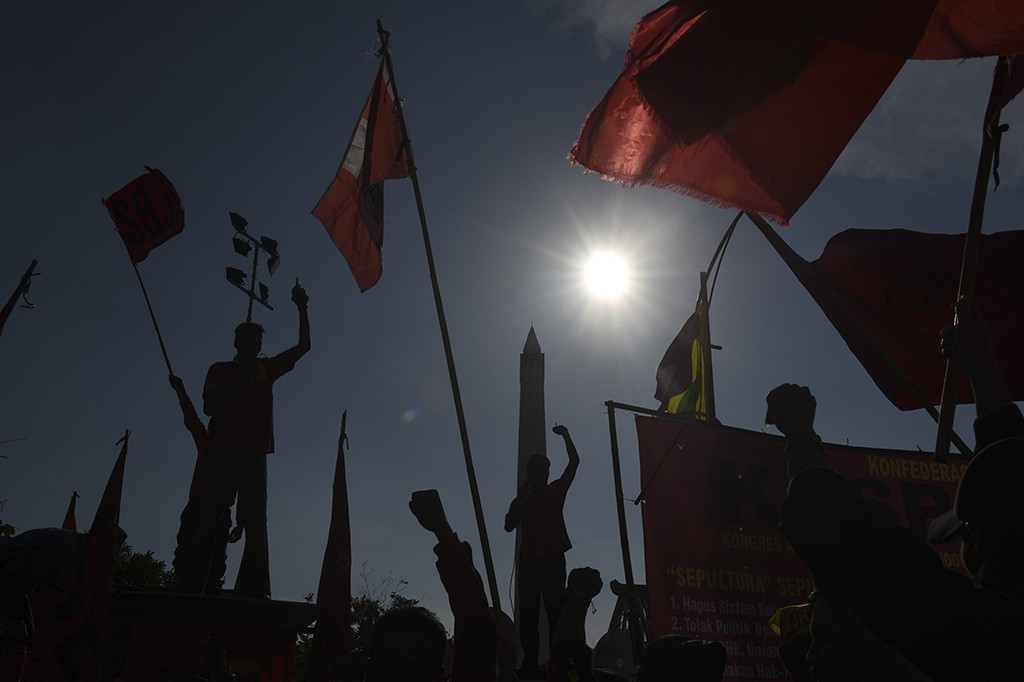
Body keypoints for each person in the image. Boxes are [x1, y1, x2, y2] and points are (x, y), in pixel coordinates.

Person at [766, 308, 1024, 682]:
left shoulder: (993, 640)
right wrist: (982, 364)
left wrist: (799, 434)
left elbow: (859, 555)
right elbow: (1010, 471)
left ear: (977, 540)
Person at [178, 280, 310, 598]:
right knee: (208, 522)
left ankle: (256, 589)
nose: (252, 343)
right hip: (221, 454)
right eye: (247, 338)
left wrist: (302, 308)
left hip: (254, 454)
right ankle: (194, 587)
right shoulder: (220, 369)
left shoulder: (268, 369)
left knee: (256, 523)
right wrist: (237, 384)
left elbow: (303, 347)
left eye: (256, 339)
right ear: (236, 342)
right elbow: (209, 408)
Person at [504, 424, 580, 674]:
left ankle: (558, 661)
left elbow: (573, 463)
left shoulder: (555, 491)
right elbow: (508, 525)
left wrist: (566, 435)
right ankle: (529, 661)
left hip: (551, 558)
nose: (529, 474)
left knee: (555, 612)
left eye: (532, 470)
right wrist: (518, 499)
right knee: (528, 615)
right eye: (528, 470)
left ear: (544, 472)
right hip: (529, 561)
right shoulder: (523, 498)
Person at [408, 489, 498, 682]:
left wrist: (442, 531)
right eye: (388, 664)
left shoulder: (477, 647)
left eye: (413, 667)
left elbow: (470, 605)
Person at [168, 374, 235, 593]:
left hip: (219, 508)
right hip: (198, 504)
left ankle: (211, 584)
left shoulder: (235, 451)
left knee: (215, 552)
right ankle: (186, 581)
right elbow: (192, 417)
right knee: (187, 544)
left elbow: (193, 419)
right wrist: (181, 391)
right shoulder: (208, 442)